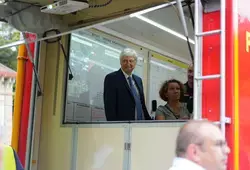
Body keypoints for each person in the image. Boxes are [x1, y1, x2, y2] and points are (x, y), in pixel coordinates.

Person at [103, 48, 151, 121]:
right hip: (123, 126)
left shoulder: (138, 80)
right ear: (120, 62)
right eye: (124, 61)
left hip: (140, 125)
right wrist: (113, 127)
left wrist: (150, 122)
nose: (128, 64)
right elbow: (109, 107)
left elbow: (142, 105)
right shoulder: (112, 78)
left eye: (131, 61)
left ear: (135, 63)